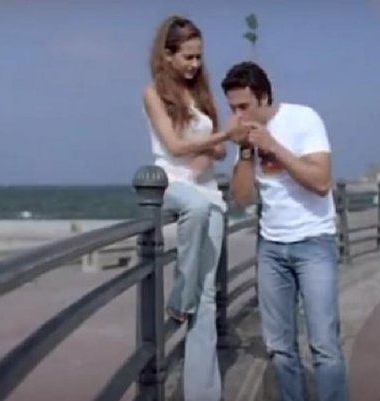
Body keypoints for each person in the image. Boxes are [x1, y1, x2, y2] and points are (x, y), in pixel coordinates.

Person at [222, 61, 349, 401]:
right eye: (232, 109)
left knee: (324, 345)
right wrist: (245, 151)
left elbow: (321, 182)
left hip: (314, 242)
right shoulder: (247, 138)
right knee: (279, 347)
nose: (238, 116)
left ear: (263, 97)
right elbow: (242, 199)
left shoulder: (303, 118)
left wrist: (274, 146)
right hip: (272, 248)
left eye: (244, 106)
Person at [143, 15, 244, 401]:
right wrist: (220, 138)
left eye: (199, 56)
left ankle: (203, 394)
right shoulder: (154, 94)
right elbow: (174, 146)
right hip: (169, 184)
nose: (195, 64)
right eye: (188, 57)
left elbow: (219, 149)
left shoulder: (202, 95)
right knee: (196, 211)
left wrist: (213, 147)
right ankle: (179, 298)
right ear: (167, 55)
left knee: (208, 298)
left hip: (205, 187)